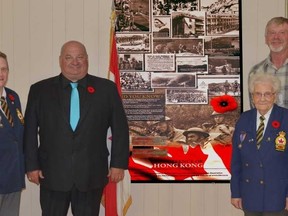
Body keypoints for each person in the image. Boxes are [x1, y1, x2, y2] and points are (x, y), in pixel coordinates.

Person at [23, 41, 130, 216]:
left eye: (80, 57)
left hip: (91, 175)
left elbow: (120, 128)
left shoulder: (106, 89)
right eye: (69, 57)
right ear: (60, 60)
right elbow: (29, 132)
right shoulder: (40, 90)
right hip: (52, 175)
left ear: (87, 59)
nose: (75, 62)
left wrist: (118, 164)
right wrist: (31, 166)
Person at [231, 73, 288, 215]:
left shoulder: (285, 118)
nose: (262, 99)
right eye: (258, 94)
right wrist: (236, 192)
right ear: (252, 97)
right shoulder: (244, 119)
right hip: (250, 194)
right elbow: (236, 160)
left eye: (267, 94)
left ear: (275, 96)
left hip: (278, 195)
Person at [0, 52, 25, 216]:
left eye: (4, 69)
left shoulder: (12, 96)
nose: (1, 74)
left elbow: (18, 135)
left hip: (13, 176)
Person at [249, 17, 288, 108]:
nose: (276, 37)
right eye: (272, 33)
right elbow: (256, 112)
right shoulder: (255, 72)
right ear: (266, 39)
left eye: (282, 33)